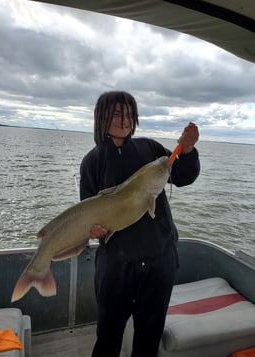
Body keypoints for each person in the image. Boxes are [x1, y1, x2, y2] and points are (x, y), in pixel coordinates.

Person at [80, 91, 200, 357]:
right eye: (116, 113)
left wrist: (188, 151)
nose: (124, 120)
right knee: (108, 338)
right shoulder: (91, 162)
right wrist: (95, 231)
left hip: (160, 262)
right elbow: (87, 211)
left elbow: (182, 175)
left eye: (128, 114)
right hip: (115, 269)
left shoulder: (150, 149)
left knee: (148, 339)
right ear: (101, 117)